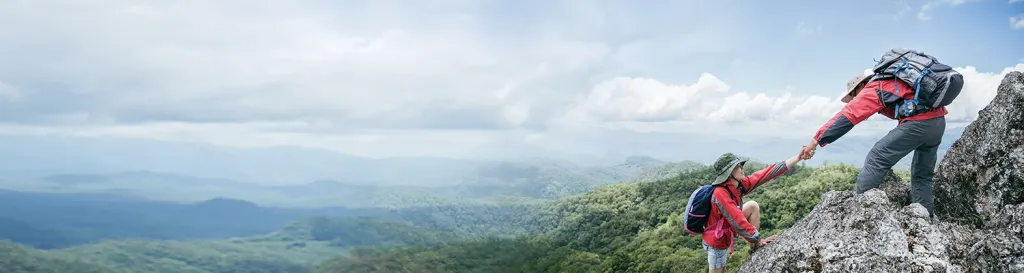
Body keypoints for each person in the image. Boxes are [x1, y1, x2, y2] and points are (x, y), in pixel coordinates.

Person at [800, 73, 947, 217]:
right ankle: (924, 218)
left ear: (861, 86)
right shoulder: (892, 83)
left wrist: (815, 141)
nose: (854, 99)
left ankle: (858, 210)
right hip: (938, 122)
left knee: (876, 157)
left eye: (853, 95)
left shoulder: (875, 87)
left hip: (919, 123)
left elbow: (849, 114)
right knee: (922, 174)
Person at [702, 151, 805, 273]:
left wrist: (798, 158)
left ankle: (754, 247)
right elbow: (738, 220)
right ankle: (755, 243)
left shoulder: (738, 185)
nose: (742, 168)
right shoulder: (720, 193)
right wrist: (757, 239)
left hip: (727, 228)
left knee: (752, 206)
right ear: (729, 173)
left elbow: (765, 174)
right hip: (716, 242)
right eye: (738, 167)